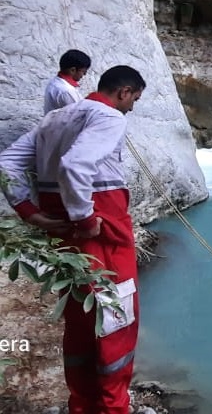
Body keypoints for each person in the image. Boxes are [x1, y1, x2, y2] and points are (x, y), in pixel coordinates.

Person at [0, 65, 146, 414]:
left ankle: (82, 404)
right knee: (117, 319)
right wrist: (86, 218)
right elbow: (75, 165)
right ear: (123, 92)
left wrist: (28, 210)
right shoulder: (108, 117)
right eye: (134, 99)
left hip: (62, 236)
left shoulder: (54, 118)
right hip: (103, 235)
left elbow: (7, 162)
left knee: (81, 318)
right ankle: (114, 407)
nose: (132, 107)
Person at [44, 49, 91, 114]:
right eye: (83, 71)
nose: (84, 75)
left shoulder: (55, 82)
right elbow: (80, 115)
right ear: (73, 70)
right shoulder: (67, 91)